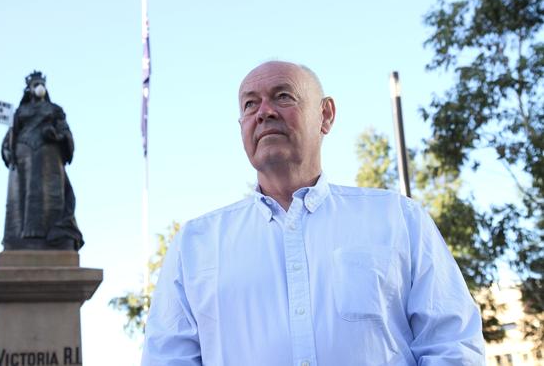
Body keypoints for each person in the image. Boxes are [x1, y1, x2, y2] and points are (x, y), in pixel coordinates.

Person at [142, 61, 485, 365]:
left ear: (325, 115)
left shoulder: (399, 219)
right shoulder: (195, 245)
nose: (264, 112)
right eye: (250, 104)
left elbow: (452, 344)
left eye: (283, 96)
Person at [1, 71, 83, 251]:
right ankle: (20, 238)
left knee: (50, 196)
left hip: (49, 157)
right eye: (35, 83)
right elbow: (10, 137)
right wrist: (9, 150)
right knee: (22, 197)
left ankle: (54, 235)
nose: (39, 86)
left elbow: (65, 131)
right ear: (29, 89)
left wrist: (57, 135)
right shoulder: (19, 112)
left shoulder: (55, 110)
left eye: (41, 83)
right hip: (23, 157)